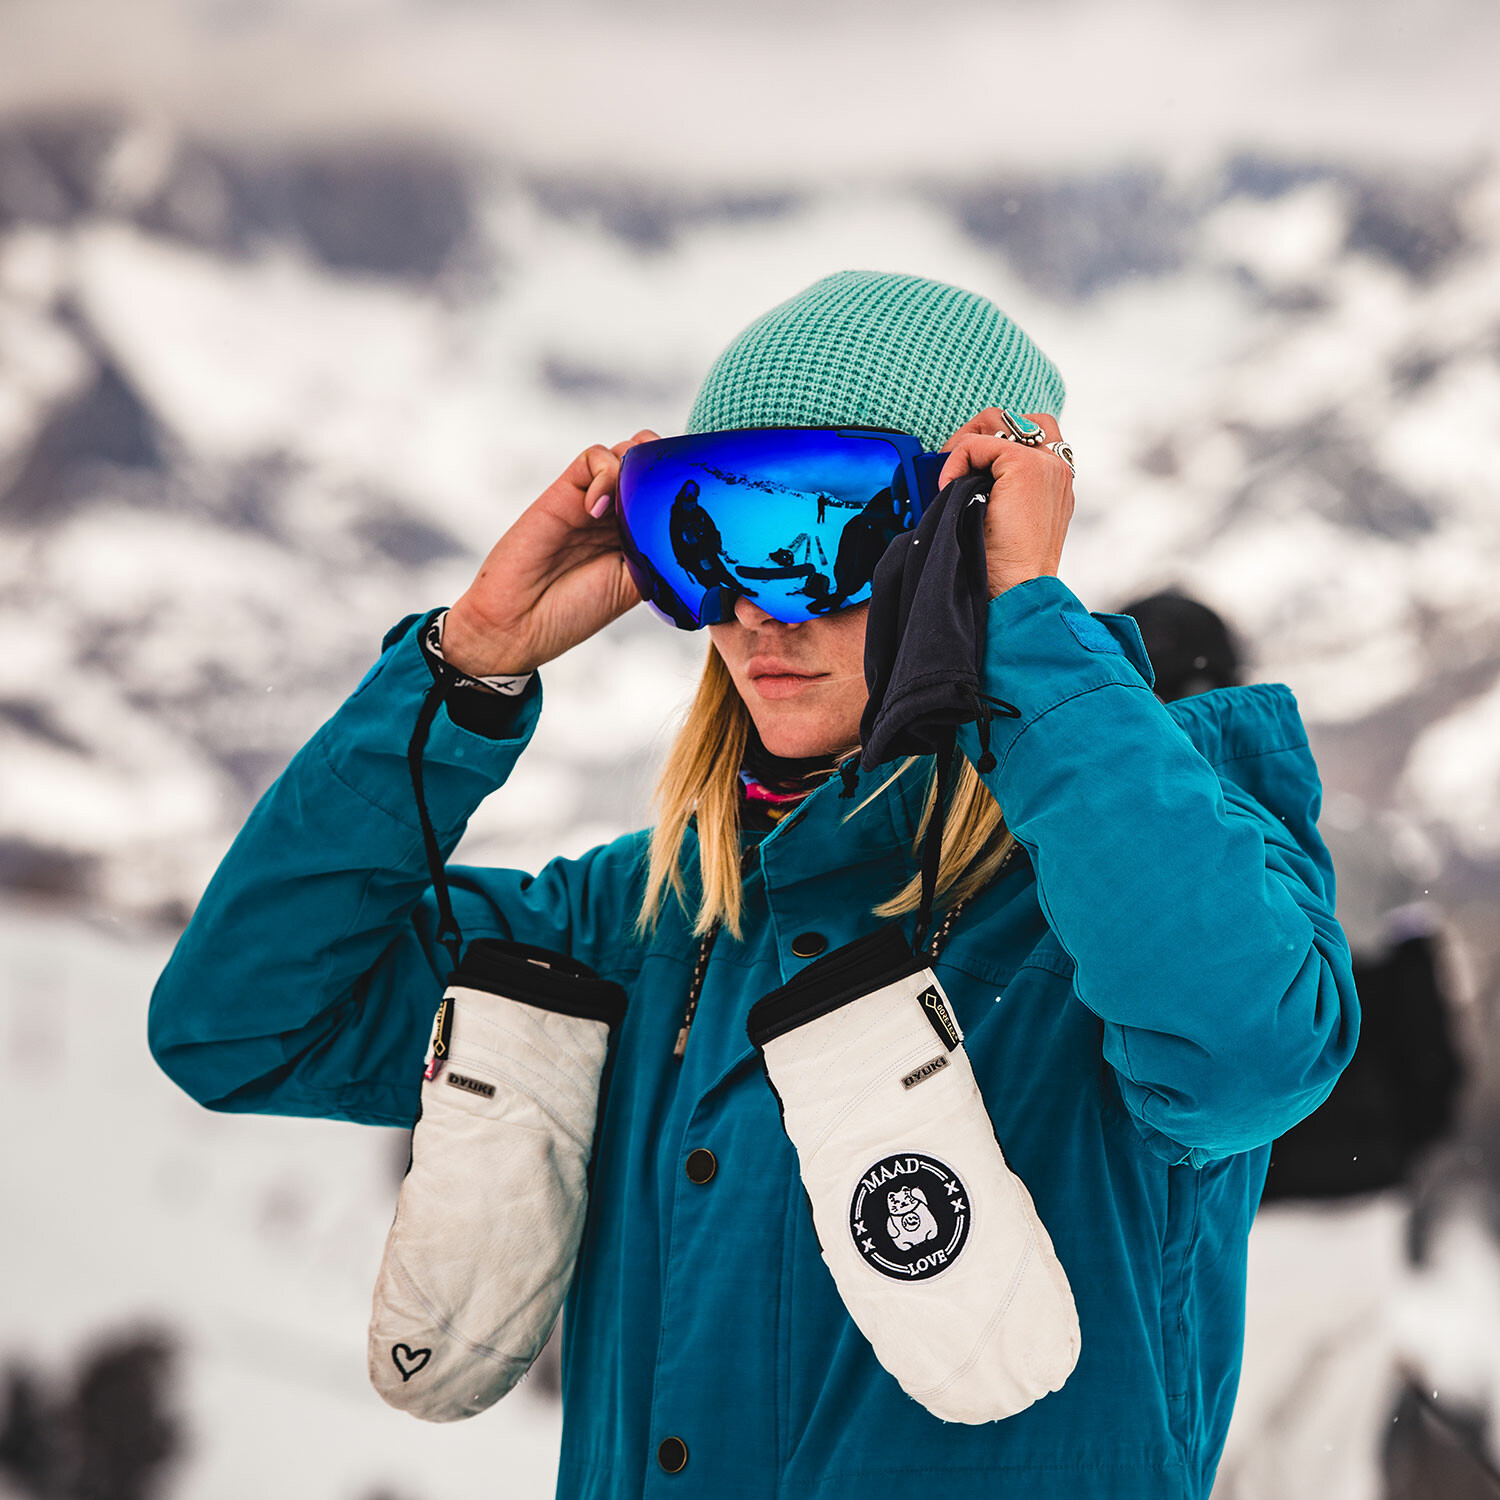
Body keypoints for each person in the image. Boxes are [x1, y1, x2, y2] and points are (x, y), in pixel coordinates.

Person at [148, 269, 1359, 1500]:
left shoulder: (1118, 896)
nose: (753, 609)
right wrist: (467, 670)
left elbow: (1247, 1053)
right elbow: (241, 1022)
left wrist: (1023, 624)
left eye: (824, 534)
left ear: (967, 534)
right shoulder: (637, 928)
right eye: (705, 533)